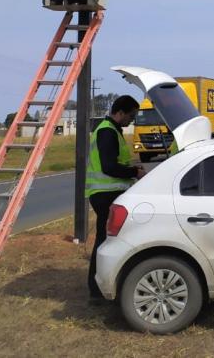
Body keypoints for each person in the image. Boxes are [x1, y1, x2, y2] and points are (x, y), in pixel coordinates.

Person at [86, 95, 145, 300]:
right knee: (104, 242)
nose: (132, 120)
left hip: (109, 193)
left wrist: (131, 169)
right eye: (131, 115)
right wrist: (133, 173)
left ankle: (100, 287)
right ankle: (96, 290)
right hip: (105, 194)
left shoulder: (112, 130)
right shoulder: (106, 131)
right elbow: (109, 166)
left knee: (108, 241)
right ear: (120, 112)